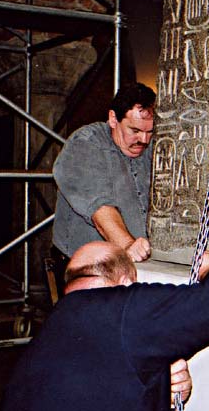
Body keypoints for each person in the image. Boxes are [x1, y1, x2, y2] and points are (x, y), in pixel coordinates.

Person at [0, 242, 209, 411]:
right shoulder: (121, 306)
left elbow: (92, 404)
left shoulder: (56, 325)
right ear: (127, 282)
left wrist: (160, 384)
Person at [51, 82, 157, 296]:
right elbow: (101, 211)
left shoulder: (150, 147)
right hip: (85, 270)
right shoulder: (86, 144)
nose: (143, 140)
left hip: (130, 269)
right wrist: (128, 245)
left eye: (150, 131)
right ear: (113, 119)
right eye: (134, 130)